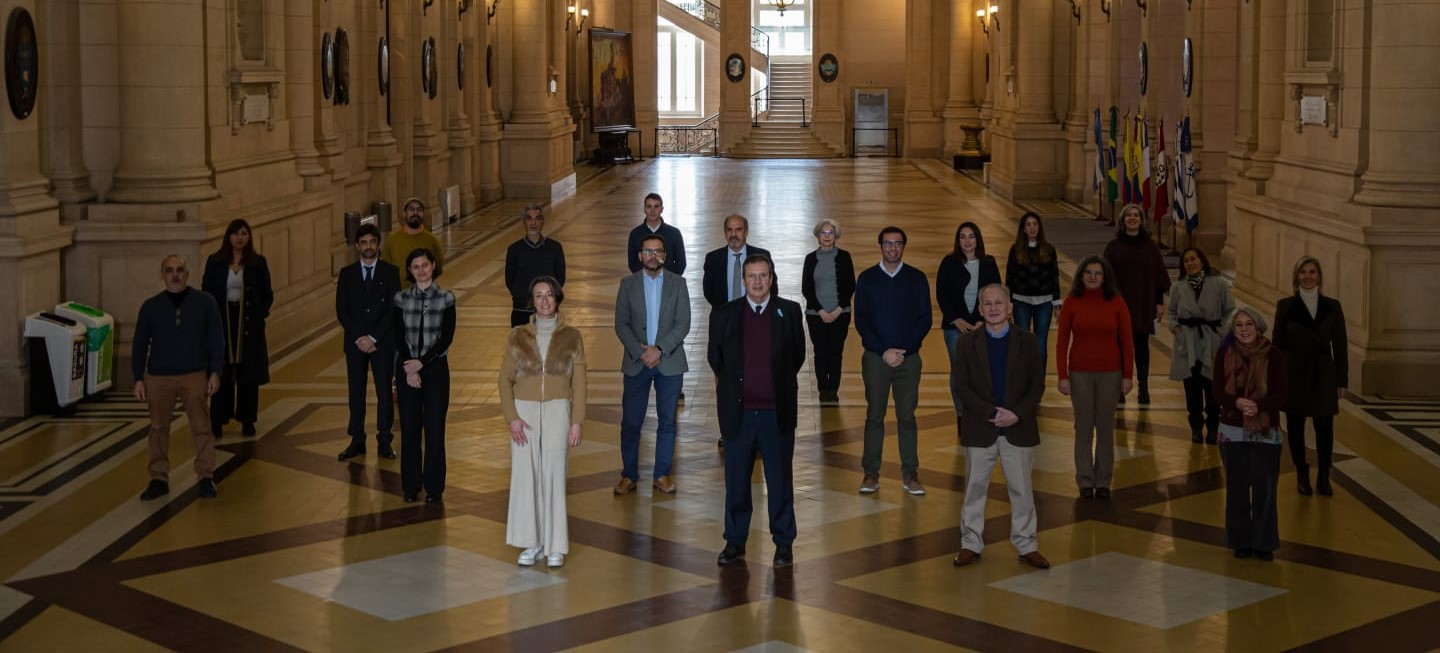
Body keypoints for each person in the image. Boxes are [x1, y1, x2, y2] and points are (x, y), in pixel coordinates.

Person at [708, 254, 806, 568]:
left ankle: (783, 543)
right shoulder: (724, 315)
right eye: (752, 276)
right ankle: (735, 541)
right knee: (736, 482)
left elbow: (797, 356)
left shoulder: (789, 312)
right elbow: (717, 360)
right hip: (739, 416)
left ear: (772, 278)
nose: (758, 282)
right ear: (744, 280)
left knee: (779, 482)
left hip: (776, 416)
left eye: (763, 275)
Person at [951, 285, 1050, 570]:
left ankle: (1027, 544)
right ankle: (970, 542)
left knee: (1022, 490)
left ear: (1010, 308)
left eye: (999, 303)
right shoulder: (967, 344)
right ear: (980, 310)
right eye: (987, 304)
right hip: (980, 427)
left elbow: (1037, 385)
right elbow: (962, 385)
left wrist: (1016, 414)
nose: (993, 308)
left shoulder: (1029, 342)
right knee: (974, 489)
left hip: (1017, 428)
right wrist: (992, 412)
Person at [501, 276, 587, 568]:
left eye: (549, 294)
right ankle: (532, 542)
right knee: (526, 478)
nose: (544, 300)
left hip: (557, 411)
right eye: (538, 295)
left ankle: (554, 545)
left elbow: (580, 383)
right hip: (524, 414)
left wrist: (576, 422)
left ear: (557, 298)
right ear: (532, 301)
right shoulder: (517, 336)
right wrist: (512, 418)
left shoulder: (572, 336)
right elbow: (504, 380)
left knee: (553, 476)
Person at [132, 255, 225, 500]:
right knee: (158, 428)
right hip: (159, 377)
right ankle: (158, 478)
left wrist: (215, 371)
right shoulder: (151, 306)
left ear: (187, 273)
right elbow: (140, 343)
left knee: (201, 427)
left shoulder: (205, 303)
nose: (175, 274)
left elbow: (216, 339)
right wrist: (137, 378)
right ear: (162, 275)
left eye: (180, 270)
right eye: (170, 270)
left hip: (194, 374)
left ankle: (205, 476)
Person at [854, 226, 933, 495]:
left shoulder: (916, 278)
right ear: (880, 246)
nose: (892, 248)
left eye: (897, 243)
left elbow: (925, 319)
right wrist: (883, 351)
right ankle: (870, 474)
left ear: (903, 246)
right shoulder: (867, 278)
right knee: (875, 416)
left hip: (908, 360)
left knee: (907, 417)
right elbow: (861, 320)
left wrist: (903, 350)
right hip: (876, 359)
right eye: (888, 243)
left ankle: (910, 474)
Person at [614, 234, 692, 496]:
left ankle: (662, 474)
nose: (653, 256)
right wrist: (640, 351)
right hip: (637, 363)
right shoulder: (627, 284)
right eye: (648, 251)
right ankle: (629, 475)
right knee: (631, 423)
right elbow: (621, 324)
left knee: (667, 421)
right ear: (640, 256)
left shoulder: (678, 284)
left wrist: (659, 349)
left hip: (669, 362)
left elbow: (683, 323)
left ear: (664, 255)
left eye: (658, 251)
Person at [1056, 255, 1134, 499]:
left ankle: (1103, 480)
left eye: (1097, 273)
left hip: (1111, 373)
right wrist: (1062, 375)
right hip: (1079, 373)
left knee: (1105, 426)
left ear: (1104, 277)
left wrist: (1128, 375)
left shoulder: (1117, 302)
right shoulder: (1071, 302)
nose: (1092, 277)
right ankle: (1085, 479)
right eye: (1088, 272)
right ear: (1080, 276)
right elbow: (1061, 342)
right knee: (1083, 426)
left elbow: (1127, 341)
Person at [1214, 307, 1287, 561]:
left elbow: (1281, 394)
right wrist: (1236, 403)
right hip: (1232, 428)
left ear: (1258, 328)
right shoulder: (1224, 353)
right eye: (1239, 325)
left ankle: (1264, 541)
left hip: (1265, 429)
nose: (1244, 329)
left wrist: (1259, 405)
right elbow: (1218, 391)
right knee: (1237, 487)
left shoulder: (1273, 354)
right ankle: (1240, 540)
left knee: (1265, 487)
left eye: (1249, 324)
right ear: (1232, 330)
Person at [1273, 256, 1348, 497]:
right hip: (1294, 372)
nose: (1308, 276)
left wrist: (1341, 380)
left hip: (1324, 371)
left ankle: (1324, 474)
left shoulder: (1333, 306)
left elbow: (1341, 344)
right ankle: (1302, 473)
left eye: (1312, 272)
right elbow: (1278, 345)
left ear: (1319, 276)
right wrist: (1276, 378)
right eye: (1303, 272)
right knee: (1294, 426)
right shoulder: (1285, 306)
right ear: (1296, 277)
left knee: (1325, 426)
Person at [393, 247, 456, 503]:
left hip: (435, 370)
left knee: (434, 428)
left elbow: (446, 338)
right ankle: (410, 485)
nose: (421, 270)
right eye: (415, 266)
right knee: (409, 429)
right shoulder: (400, 298)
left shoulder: (446, 298)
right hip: (407, 369)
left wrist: (422, 363)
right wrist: (410, 366)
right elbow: (398, 334)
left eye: (425, 265)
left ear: (433, 266)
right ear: (410, 270)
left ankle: (434, 487)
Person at [200, 218, 273, 438]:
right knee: (221, 372)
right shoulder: (215, 261)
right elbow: (206, 290)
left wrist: (260, 315)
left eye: (243, 233)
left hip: (248, 323)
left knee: (247, 374)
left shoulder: (257, 263)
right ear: (228, 236)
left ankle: (247, 419)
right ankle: (218, 420)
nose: (239, 238)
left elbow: (267, 294)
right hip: (223, 321)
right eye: (235, 233)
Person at [335, 223, 402, 461]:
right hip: (355, 344)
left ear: (377, 244)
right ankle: (357, 438)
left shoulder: (390, 272)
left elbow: (394, 308)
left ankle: (385, 439)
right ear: (357, 246)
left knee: (384, 392)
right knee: (356, 391)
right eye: (363, 243)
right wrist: (359, 338)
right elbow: (342, 311)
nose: (368, 247)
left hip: (381, 343)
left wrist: (373, 337)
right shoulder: (347, 274)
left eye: (372, 242)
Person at [936, 221, 1001, 437]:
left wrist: (984, 320)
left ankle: (982, 414)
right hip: (956, 328)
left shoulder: (989, 263)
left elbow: (996, 292)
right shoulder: (949, 262)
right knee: (960, 371)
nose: (967, 241)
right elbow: (941, 294)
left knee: (984, 371)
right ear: (958, 240)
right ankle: (962, 415)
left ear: (978, 239)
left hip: (983, 325)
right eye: (963, 237)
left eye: (971, 236)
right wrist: (956, 319)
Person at [1102, 203, 1170, 405]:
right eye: (1128, 216)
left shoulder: (1151, 247)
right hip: (1119, 305)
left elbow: (1159, 277)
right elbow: (1105, 277)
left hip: (1143, 304)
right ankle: (1120, 389)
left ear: (1141, 220)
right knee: (1119, 349)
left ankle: (1143, 387)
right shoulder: (1113, 247)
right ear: (1123, 221)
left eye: (1136, 215)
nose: (1132, 218)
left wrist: (1159, 303)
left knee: (1141, 348)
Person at [1167, 247, 1234, 444]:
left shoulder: (1219, 284)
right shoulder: (1178, 287)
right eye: (1186, 260)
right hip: (1187, 344)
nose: (1190, 263)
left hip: (1211, 343)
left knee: (1213, 389)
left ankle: (1213, 426)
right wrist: (1176, 329)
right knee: (1192, 389)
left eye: (1193, 259)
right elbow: (1171, 313)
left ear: (1202, 261)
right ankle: (1196, 426)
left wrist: (1221, 332)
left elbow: (1230, 311)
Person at [801, 219, 855, 405]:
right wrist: (821, 311)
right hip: (816, 315)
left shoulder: (844, 257)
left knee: (835, 352)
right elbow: (806, 288)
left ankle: (834, 389)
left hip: (841, 313)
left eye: (830, 233)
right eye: (823, 233)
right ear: (818, 236)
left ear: (836, 236)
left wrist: (839, 309)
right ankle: (823, 389)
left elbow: (850, 285)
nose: (827, 236)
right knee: (821, 352)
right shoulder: (810, 258)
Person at [1005, 212, 1062, 367]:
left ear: (1039, 227)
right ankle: (1022, 380)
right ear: (1023, 229)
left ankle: (1038, 382)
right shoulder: (1015, 249)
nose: (1032, 228)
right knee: (1022, 343)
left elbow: (1054, 276)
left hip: (1044, 302)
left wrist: (1057, 304)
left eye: (1035, 224)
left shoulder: (1049, 249)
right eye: (1028, 224)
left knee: (1040, 344)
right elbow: (1009, 277)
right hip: (1020, 301)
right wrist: (1007, 303)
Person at [504, 205, 567, 327]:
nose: (533, 223)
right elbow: (509, 279)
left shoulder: (555, 248)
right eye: (529, 218)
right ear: (524, 222)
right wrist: (521, 296)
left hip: (547, 311)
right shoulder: (514, 249)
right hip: (521, 311)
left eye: (537, 218)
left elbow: (560, 279)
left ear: (542, 222)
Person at [703, 214, 772, 308]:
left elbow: (771, 288)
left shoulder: (763, 256)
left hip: (754, 315)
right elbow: (708, 291)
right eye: (729, 230)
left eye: (738, 230)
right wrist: (723, 312)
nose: (733, 234)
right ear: (725, 232)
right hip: (723, 317)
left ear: (746, 232)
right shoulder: (713, 259)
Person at [382, 197, 444, 286]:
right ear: (404, 214)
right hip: (399, 294)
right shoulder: (392, 240)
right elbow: (385, 269)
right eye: (411, 209)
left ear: (423, 214)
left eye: (419, 210)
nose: (415, 213)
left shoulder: (432, 240)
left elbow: (438, 268)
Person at [627, 193, 687, 275]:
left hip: (669, 283)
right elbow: (632, 263)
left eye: (656, 206)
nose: (652, 210)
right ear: (644, 209)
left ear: (662, 209)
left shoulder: (674, 234)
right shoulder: (635, 234)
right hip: (644, 283)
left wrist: (672, 281)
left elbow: (681, 263)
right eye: (649, 206)